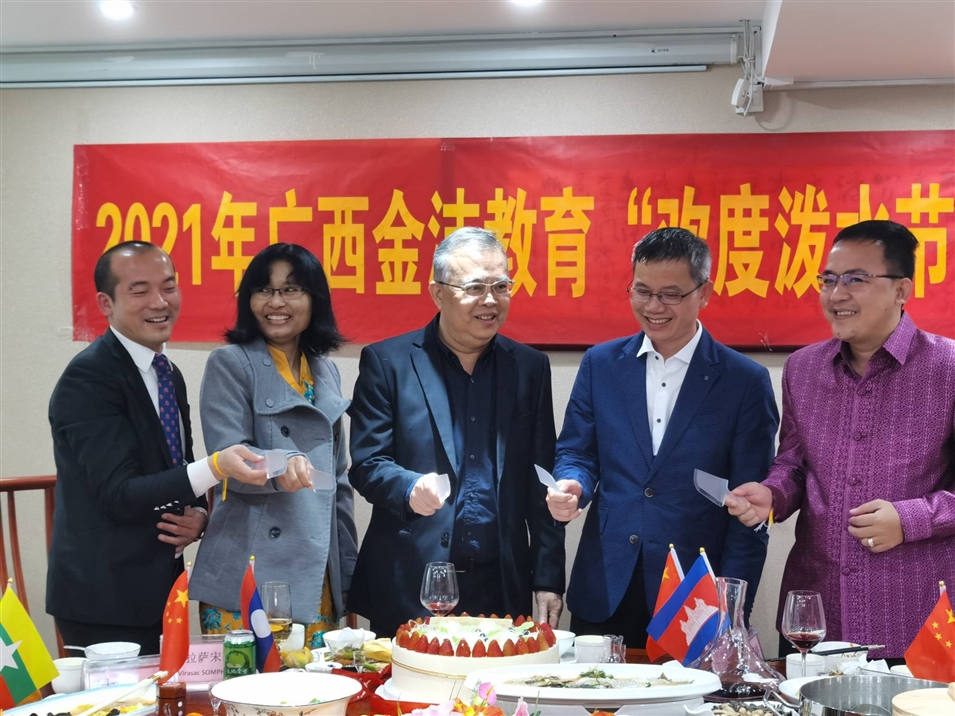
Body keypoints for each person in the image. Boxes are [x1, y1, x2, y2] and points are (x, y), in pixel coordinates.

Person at [726, 220, 955, 659]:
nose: (836, 295)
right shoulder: (803, 369)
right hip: (815, 613)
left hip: (917, 616)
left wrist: (910, 519)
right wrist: (772, 495)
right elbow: (794, 464)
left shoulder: (946, 369)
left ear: (901, 290)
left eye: (855, 280)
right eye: (829, 280)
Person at [547, 227, 778, 647]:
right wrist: (573, 484)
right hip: (607, 585)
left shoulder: (744, 381)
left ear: (704, 293)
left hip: (696, 598)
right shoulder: (601, 364)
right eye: (642, 291)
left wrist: (733, 610)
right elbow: (577, 452)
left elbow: (750, 507)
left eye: (670, 294)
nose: (653, 307)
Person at [47, 242, 267, 654]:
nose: (160, 302)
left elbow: (175, 464)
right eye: (140, 290)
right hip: (104, 598)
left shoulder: (167, 372)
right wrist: (216, 467)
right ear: (106, 303)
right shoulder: (88, 379)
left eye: (168, 287)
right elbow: (119, 493)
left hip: (163, 590)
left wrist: (198, 514)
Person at [347, 227, 564, 635]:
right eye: (475, 287)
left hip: (500, 583)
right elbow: (367, 464)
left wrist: (548, 577)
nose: (490, 300)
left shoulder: (529, 368)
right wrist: (409, 487)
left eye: (501, 286)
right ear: (437, 293)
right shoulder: (388, 362)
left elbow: (543, 481)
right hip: (411, 579)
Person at [190, 243, 358, 649]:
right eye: (263, 290)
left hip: (314, 573)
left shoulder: (326, 370)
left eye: (291, 290)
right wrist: (283, 465)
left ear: (314, 299)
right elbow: (229, 462)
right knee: (248, 685)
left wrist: (348, 572)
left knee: (314, 685)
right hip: (248, 570)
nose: (276, 303)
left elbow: (337, 484)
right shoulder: (229, 363)